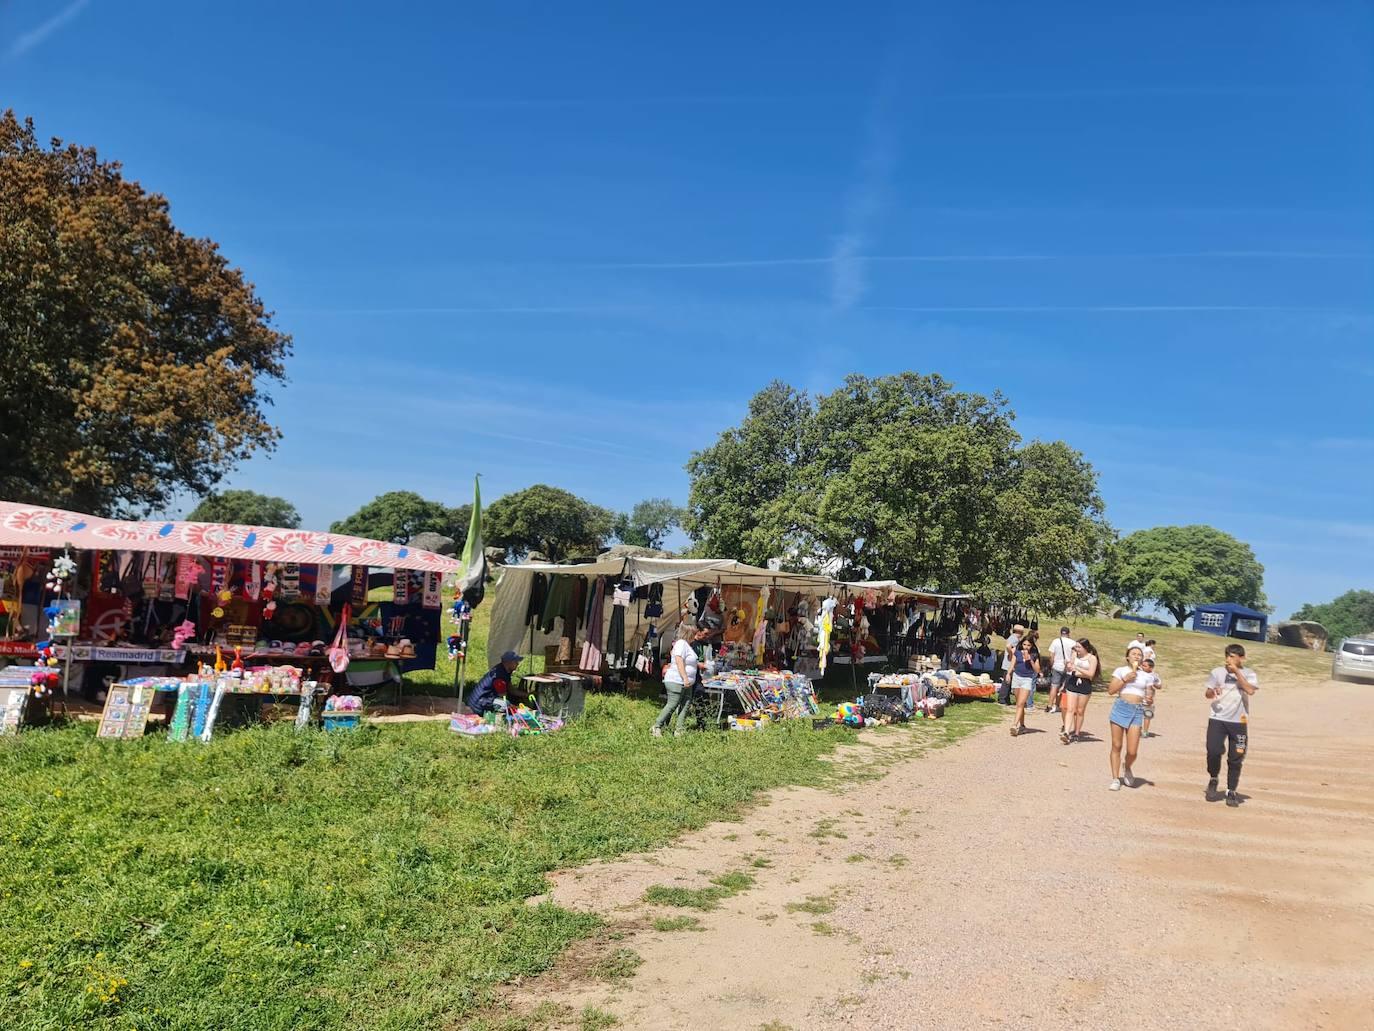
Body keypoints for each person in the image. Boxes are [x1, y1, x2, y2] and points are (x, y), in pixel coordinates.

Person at [1204, 643, 1258, 807]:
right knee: (1213, 751)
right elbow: (1207, 693)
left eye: (1233, 656)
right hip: (1217, 719)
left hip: (1239, 723)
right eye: (1227, 656)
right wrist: (1211, 692)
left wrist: (1237, 672)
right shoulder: (1217, 672)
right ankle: (1213, 779)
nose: (1229, 659)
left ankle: (1231, 790)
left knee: (1237, 756)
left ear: (1242, 658)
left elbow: (1250, 690)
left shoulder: (1249, 673)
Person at [1106, 646, 1158, 790]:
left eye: (1139, 655)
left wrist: (1149, 699)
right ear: (1127, 657)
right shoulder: (1121, 671)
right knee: (1116, 745)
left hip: (1137, 710)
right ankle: (1115, 778)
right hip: (1121, 707)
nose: (1136, 656)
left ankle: (1127, 767)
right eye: (1133, 654)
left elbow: (1149, 693)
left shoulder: (1147, 676)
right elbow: (1111, 690)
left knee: (1132, 751)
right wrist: (1125, 679)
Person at [653, 628, 698, 738]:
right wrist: (685, 678)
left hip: (687, 683)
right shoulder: (681, 644)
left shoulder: (687, 646)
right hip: (677, 680)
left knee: (686, 705)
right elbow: (679, 660)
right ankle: (657, 726)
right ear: (689, 634)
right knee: (673, 704)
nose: (696, 636)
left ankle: (679, 729)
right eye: (694, 634)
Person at [1059, 638, 1099, 744]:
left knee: (1080, 711)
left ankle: (1077, 733)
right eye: (1076, 647)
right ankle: (1067, 732)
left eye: (1079, 647)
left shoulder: (1092, 658)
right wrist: (1068, 666)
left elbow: (1091, 674)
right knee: (1070, 709)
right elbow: (1070, 668)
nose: (1076, 649)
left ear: (1085, 648)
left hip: (1085, 685)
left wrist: (1077, 669)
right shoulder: (1074, 655)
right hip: (1072, 683)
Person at [468, 650, 530, 715]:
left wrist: (526, 695)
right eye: (515, 661)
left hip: (481, 700)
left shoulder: (503, 670)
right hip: (478, 705)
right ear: (508, 662)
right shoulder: (499, 675)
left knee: (506, 704)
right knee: (505, 704)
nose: (518, 663)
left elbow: (512, 690)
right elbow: (503, 696)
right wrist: (518, 709)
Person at [1007, 637, 1040, 737]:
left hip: (1027, 679)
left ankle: (1014, 725)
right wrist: (1008, 674)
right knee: (1018, 704)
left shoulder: (1034, 655)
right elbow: (1013, 664)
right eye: (1024, 644)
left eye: (1028, 645)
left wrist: (1030, 660)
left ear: (1032, 646)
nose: (1026, 647)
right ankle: (1022, 725)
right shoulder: (1017, 652)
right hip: (1017, 677)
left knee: (1021, 703)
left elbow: (1037, 670)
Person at [1046, 626, 1075, 713]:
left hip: (1057, 666)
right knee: (1063, 687)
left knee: (1054, 686)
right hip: (1068, 667)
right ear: (1068, 633)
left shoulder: (1055, 641)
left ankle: (1049, 705)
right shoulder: (1073, 643)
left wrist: (1052, 665)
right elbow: (1074, 656)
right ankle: (1058, 705)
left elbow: (1051, 655)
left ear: (1061, 633)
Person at [1141, 655, 1160, 737]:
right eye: (1142, 665)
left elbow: (1160, 686)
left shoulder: (1154, 676)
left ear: (1151, 668)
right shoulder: (1139, 673)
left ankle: (1145, 731)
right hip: (1138, 699)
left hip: (1148, 700)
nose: (1142, 667)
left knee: (1147, 715)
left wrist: (1154, 684)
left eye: (1145, 666)